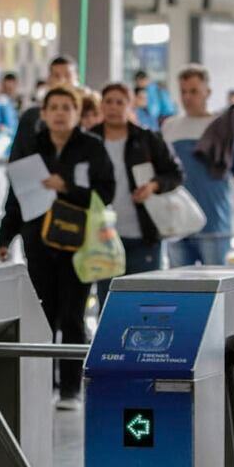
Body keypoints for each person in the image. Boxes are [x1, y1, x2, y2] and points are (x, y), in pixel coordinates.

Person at [0, 86, 115, 410]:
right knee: (43, 315)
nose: (61, 113)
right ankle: (42, 384)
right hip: (39, 243)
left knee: (73, 316)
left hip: (79, 245)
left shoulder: (92, 147)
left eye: (67, 107)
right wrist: (5, 238)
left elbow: (106, 192)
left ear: (77, 114)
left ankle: (70, 389)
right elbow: (15, 198)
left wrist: (68, 188)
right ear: (44, 113)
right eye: (54, 108)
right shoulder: (31, 149)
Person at [89, 83, 185, 306]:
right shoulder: (88, 140)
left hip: (143, 235)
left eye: (120, 102)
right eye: (108, 102)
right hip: (102, 238)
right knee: (108, 301)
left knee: (144, 300)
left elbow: (176, 173)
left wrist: (153, 186)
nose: (113, 107)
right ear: (101, 105)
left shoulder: (147, 139)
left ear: (130, 105)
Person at [161, 64, 234, 267]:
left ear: (208, 92)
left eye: (194, 91)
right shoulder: (169, 127)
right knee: (179, 287)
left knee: (214, 286)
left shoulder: (223, 128)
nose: (187, 97)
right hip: (178, 224)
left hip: (214, 224)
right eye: (183, 91)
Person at [11, 55, 80, 158]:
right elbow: (19, 156)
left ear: (76, 78)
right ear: (49, 79)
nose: (62, 80)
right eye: (56, 76)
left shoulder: (89, 114)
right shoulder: (32, 116)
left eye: (67, 75)